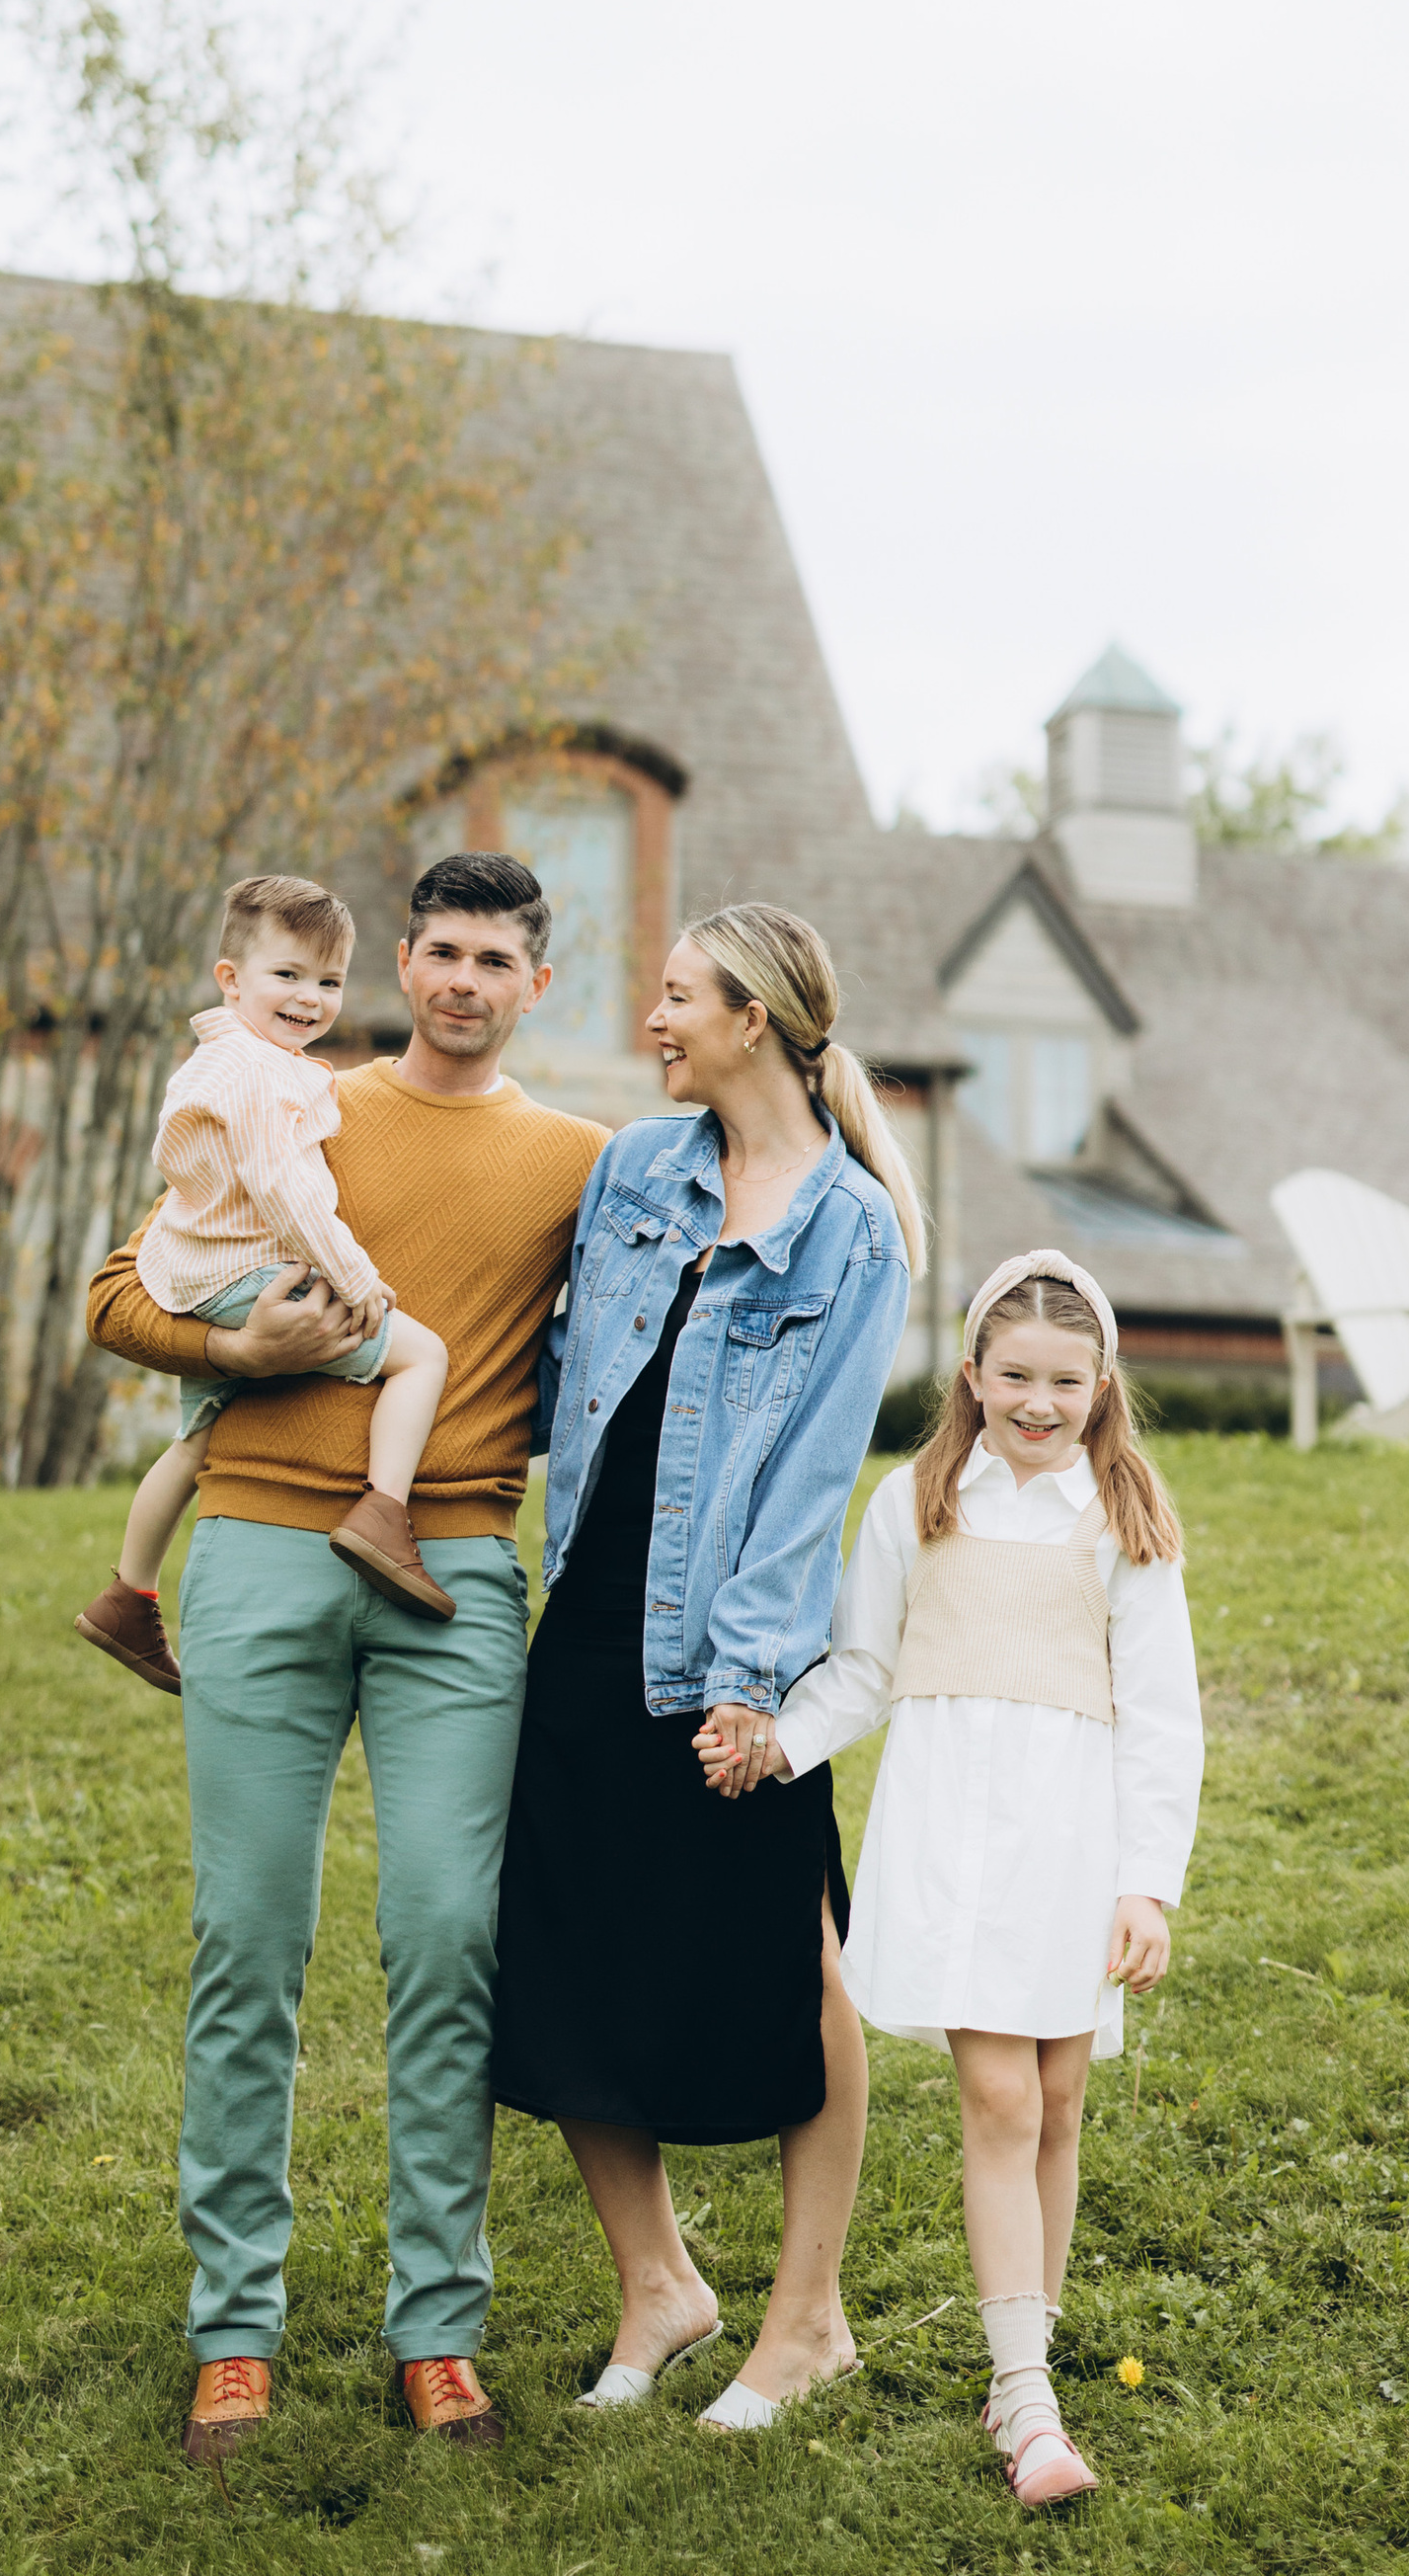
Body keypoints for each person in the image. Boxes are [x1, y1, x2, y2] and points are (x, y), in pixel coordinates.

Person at [80, 852, 606, 2469]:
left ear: (535, 980)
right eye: (437, 950)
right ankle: (233, 2329)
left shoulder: (583, 1163)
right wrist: (233, 1348)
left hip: (452, 1568)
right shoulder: (298, 1097)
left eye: (493, 958)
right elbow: (116, 1293)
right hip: (254, 1550)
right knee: (249, 1940)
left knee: (449, 1936)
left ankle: (435, 2324)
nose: (460, 979)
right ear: (402, 958)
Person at [488, 902, 917, 2432]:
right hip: (589, 1615)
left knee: (795, 1965)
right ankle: (659, 2284)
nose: (650, 1021)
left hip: (731, 1648)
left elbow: (809, 1477)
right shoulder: (632, 1172)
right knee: (561, 1947)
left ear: (756, 1019)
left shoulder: (853, 1228)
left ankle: (808, 2321)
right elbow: (551, 1373)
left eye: (675, 999)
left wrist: (747, 1682)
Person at [745, 1250, 1203, 2507]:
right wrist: (777, 1743)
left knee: (1057, 2105)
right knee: (999, 2103)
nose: (1038, 1402)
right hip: (953, 1835)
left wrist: (1142, 1883)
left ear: (1102, 1383)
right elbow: (861, 1668)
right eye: (1015, 1376)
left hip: (1071, 1840)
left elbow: (1163, 1718)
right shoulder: (917, 1500)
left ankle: (1024, 2365)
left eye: (1064, 1380)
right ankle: (1029, 2409)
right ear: (973, 1374)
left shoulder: (1123, 1521)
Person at [74, 873, 455, 1685]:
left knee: (195, 1443)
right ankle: (385, 1514)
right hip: (251, 1277)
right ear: (230, 978)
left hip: (200, 1275)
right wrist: (356, 1277)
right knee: (422, 1357)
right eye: (287, 976)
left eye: (328, 982)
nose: (310, 999)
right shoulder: (256, 1074)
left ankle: (127, 1595)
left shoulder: (230, 1060)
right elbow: (285, 1188)